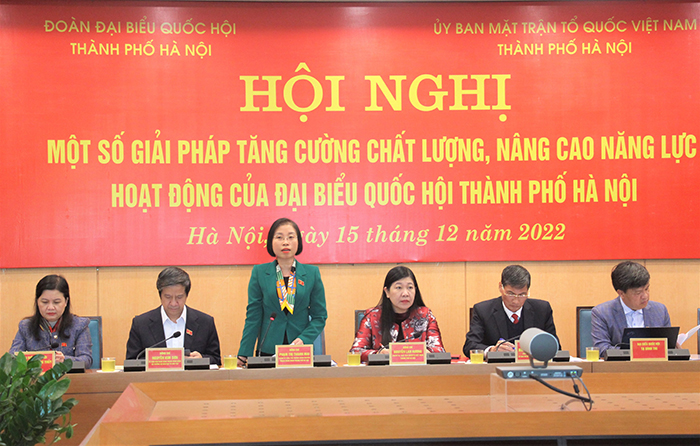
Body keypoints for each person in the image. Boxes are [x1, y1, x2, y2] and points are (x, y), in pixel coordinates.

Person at [237, 218, 327, 367]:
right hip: (268, 349)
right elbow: (253, 316)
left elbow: (320, 316)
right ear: (271, 243)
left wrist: (304, 339)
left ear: (298, 242)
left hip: (299, 350)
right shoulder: (259, 272)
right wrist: (243, 353)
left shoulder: (312, 273)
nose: (285, 242)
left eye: (291, 237)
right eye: (279, 237)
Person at [126, 267, 221, 365]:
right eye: (168, 297)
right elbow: (131, 362)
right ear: (160, 295)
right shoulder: (141, 324)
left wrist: (202, 359)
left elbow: (216, 359)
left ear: (186, 295)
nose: (173, 303)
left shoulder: (205, 323)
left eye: (179, 297)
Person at [350, 265, 445, 363]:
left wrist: (426, 352)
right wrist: (378, 353)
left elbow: (440, 351)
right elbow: (356, 351)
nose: (405, 293)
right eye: (399, 287)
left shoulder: (425, 316)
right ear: (387, 292)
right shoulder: (372, 317)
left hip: (418, 371)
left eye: (410, 287)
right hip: (383, 372)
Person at [462, 265, 558, 357]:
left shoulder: (542, 310)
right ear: (501, 287)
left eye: (522, 295)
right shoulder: (483, 310)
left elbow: (555, 346)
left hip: (532, 365)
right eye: (510, 294)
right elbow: (470, 346)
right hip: (497, 366)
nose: (516, 301)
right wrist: (492, 350)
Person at [10, 274, 93, 368]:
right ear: (37, 302)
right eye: (45, 302)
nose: (50, 307)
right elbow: (12, 359)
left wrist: (64, 360)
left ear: (66, 302)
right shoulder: (25, 327)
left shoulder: (79, 325)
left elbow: (86, 360)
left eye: (56, 302)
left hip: (67, 377)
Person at [591, 261, 671, 354]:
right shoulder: (602, 313)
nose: (645, 296)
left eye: (647, 289)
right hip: (620, 363)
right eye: (638, 292)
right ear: (621, 293)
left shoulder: (660, 311)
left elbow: (668, 346)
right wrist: (638, 351)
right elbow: (602, 349)